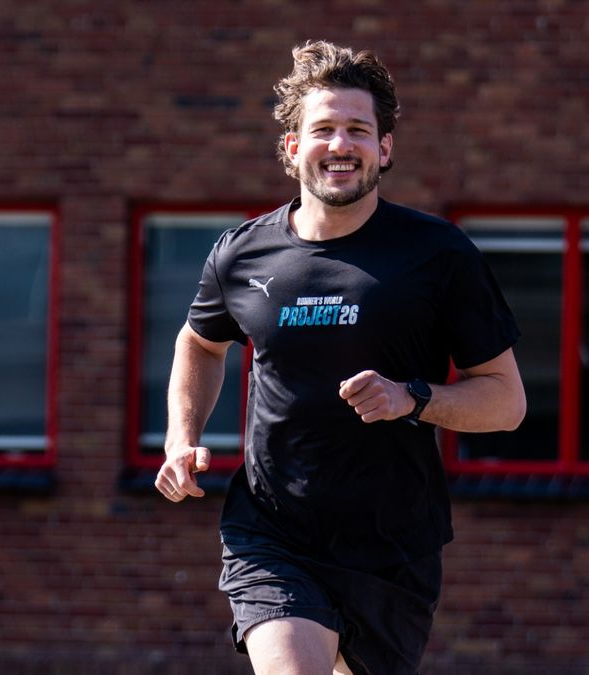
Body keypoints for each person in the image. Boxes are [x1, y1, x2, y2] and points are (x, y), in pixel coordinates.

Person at [155, 40, 526, 675]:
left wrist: (413, 397)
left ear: (384, 149)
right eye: (322, 129)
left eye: (359, 130)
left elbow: (507, 402)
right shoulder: (242, 255)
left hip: (392, 546)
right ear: (293, 148)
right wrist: (180, 436)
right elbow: (199, 342)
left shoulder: (438, 255)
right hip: (273, 532)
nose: (340, 144)